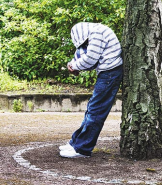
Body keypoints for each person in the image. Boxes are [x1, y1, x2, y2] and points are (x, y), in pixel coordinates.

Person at [59, 22, 123, 158]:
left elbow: (90, 58)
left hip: (110, 73)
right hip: (108, 72)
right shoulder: (95, 32)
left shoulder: (96, 34)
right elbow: (87, 57)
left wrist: (74, 66)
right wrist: (74, 64)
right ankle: (75, 143)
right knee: (92, 109)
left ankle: (83, 149)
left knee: (96, 111)